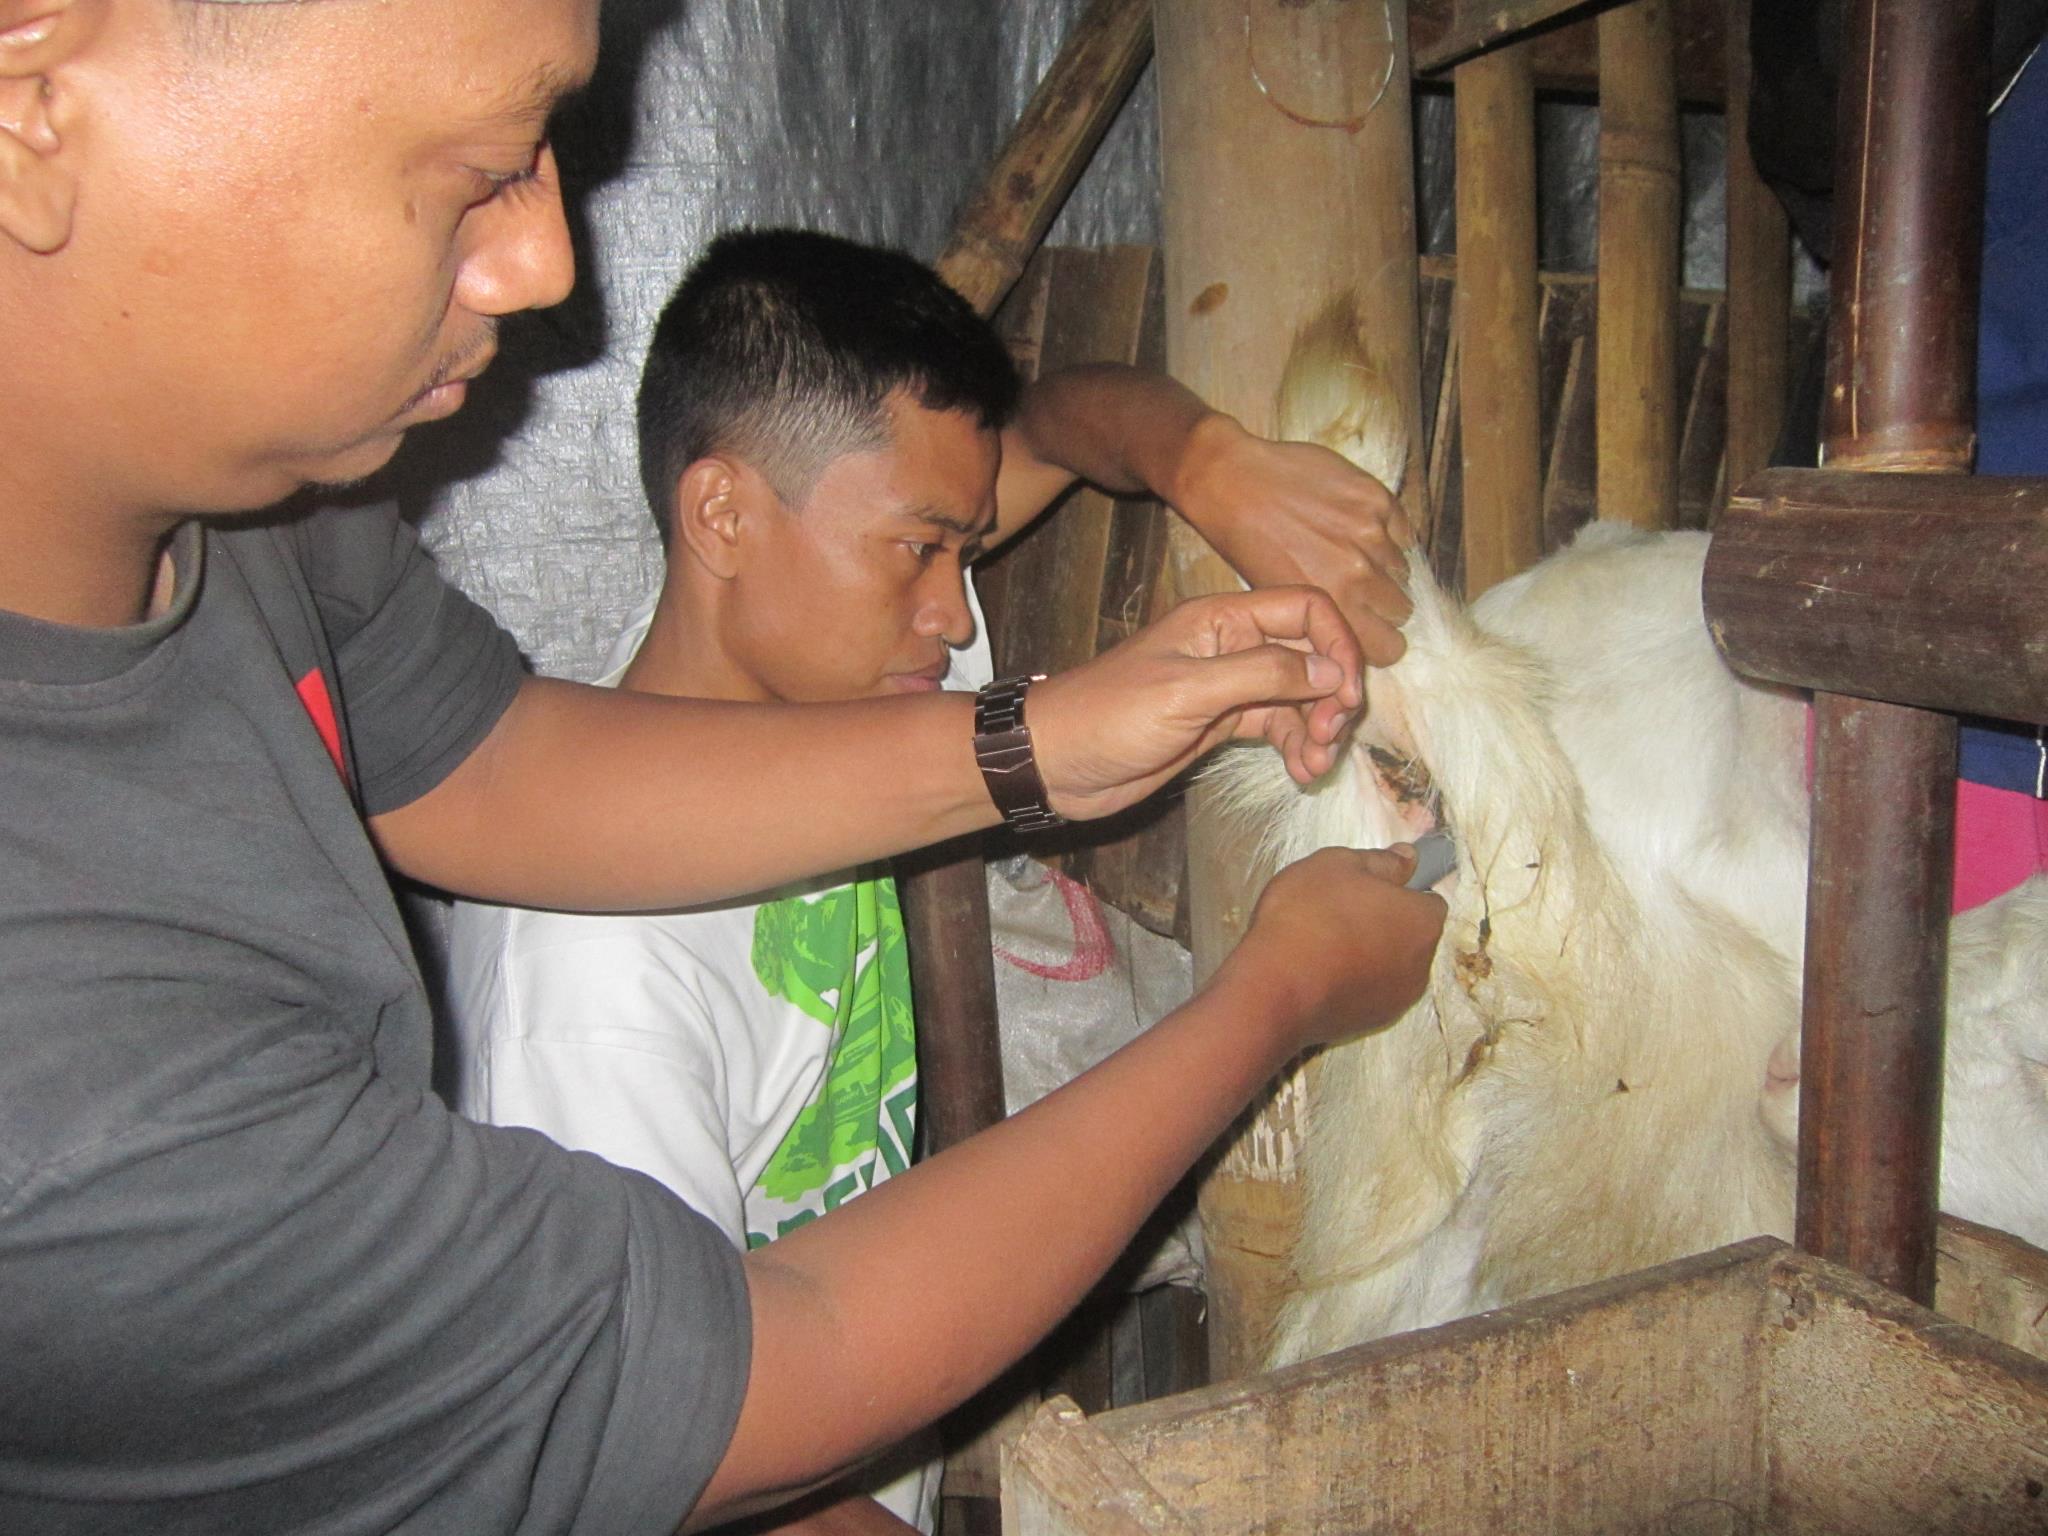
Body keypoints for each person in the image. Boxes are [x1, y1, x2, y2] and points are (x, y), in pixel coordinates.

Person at [0, 3, 1447, 1534]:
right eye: (482, 166)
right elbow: (738, 1404)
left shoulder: (259, 527)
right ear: (31, 98)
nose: (550, 264)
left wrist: (1048, 742)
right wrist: (1273, 998)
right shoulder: (86, 1080)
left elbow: (497, 765)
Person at [446, 226, 1415, 1534]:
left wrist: (1212, 464)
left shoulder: (821, 661)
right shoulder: (587, 991)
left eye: (965, 548)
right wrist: (1282, 991)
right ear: (722, 515)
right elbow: (675, 1473)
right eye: (920, 550)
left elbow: (1062, 422)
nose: (958, 618)